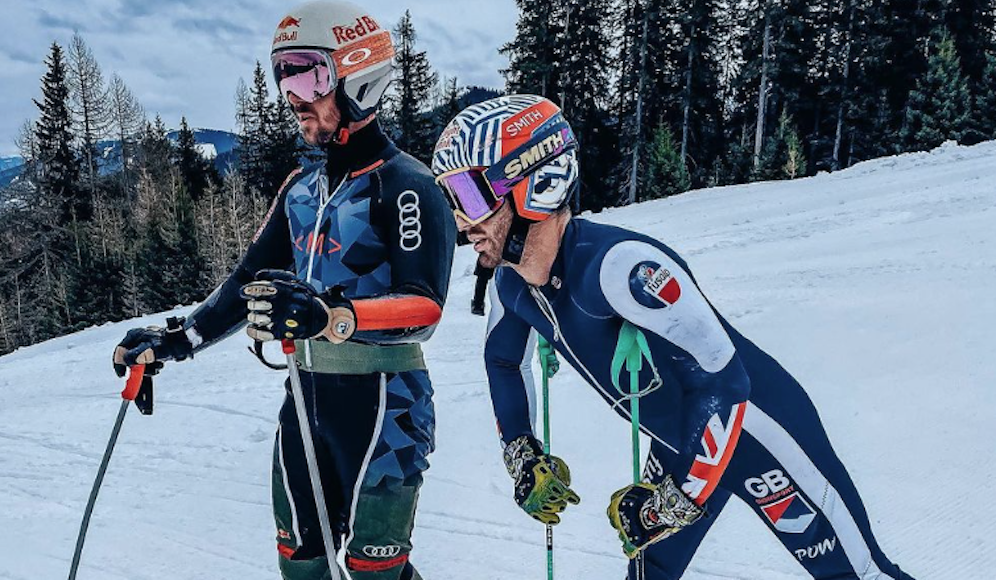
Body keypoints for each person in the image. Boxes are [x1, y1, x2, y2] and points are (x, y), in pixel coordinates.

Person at [430, 94, 915, 580]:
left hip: (757, 430)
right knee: (647, 574)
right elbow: (502, 363)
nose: (462, 222)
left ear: (538, 184)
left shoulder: (621, 267)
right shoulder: (512, 283)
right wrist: (523, 455)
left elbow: (725, 385)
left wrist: (673, 503)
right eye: (451, 199)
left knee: (861, 574)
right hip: (683, 440)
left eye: (470, 197)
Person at [112, 2, 455, 579]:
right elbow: (248, 278)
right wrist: (179, 339)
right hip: (306, 400)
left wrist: (330, 316)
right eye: (284, 75)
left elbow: (423, 307)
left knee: (378, 574)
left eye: (310, 74)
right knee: (300, 564)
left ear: (359, 78)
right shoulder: (300, 188)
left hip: (386, 403)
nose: (294, 95)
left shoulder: (406, 185)